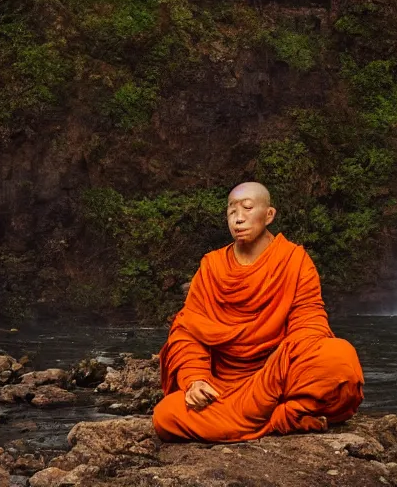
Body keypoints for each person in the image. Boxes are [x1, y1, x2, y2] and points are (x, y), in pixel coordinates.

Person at [152, 181, 364, 442]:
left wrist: (280, 368)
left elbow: (310, 324)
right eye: (231, 212)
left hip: (276, 376)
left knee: (339, 359)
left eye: (248, 208)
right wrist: (195, 379)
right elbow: (188, 331)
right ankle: (282, 418)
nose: (238, 219)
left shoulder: (294, 260)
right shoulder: (212, 266)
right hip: (225, 387)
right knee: (166, 416)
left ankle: (262, 417)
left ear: (269, 215)